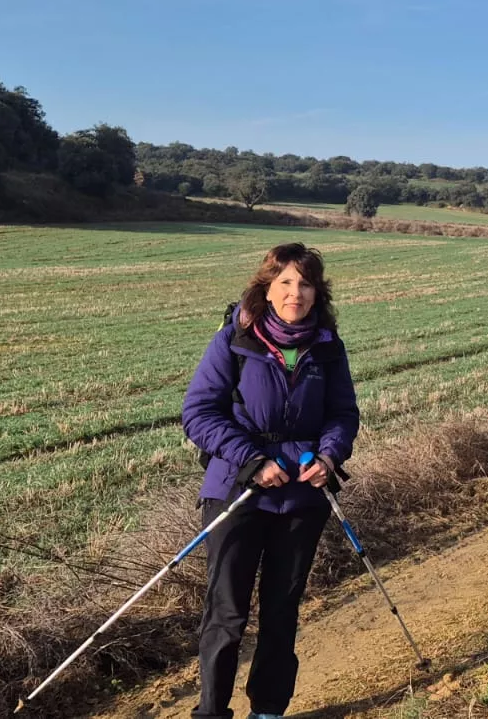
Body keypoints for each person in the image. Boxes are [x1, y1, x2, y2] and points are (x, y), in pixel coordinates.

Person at [181, 243, 360, 719]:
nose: (295, 293)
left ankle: (268, 709)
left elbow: (342, 414)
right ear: (266, 288)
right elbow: (199, 413)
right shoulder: (233, 341)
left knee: (282, 610)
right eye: (285, 283)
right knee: (227, 612)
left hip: (303, 497)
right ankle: (212, 711)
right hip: (236, 490)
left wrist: (329, 456)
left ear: (317, 292)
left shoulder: (327, 347)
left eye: (305, 284)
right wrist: (253, 460)